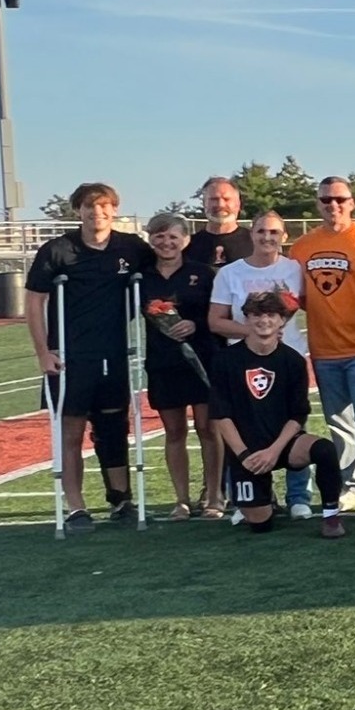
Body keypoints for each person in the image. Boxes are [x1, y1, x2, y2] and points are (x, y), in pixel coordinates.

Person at [25, 182, 156, 531]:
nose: (96, 213)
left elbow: (158, 271)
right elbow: (34, 300)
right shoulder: (57, 251)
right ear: (77, 211)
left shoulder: (131, 247)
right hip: (70, 358)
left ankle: (120, 499)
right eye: (88, 207)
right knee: (71, 431)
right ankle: (76, 507)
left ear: (114, 210)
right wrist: (43, 352)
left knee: (114, 428)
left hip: (113, 354)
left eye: (103, 207)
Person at [290, 175, 355, 516]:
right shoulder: (301, 247)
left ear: (352, 202)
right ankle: (353, 487)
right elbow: (301, 299)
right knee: (340, 425)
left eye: (339, 199)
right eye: (326, 200)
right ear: (317, 204)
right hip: (324, 352)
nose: (332, 205)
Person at [209, 289, 348, 538]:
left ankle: (330, 516)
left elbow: (298, 415)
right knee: (260, 526)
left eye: (271, 315)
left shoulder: (293, 361)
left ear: (282, 320)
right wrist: (244, 455)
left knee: (325, 449)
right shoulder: (225, 360)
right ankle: (265, 500)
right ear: (247, 319)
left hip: (282, 444)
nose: (264, 321)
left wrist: (274, 452)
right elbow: (221, 415)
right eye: (256, 315)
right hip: (247, 451)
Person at [209, 211, 311, 518]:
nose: (267, 238)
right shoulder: (230, 273)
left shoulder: (295, 269)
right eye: (261, 232)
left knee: (294, 424)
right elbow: (215, 321)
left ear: (284, 236)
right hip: (242, 364)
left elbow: (312, 306)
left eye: (274, 232)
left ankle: (298, 496)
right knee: (242, 428)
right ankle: (246, 496)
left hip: (287, 360)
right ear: (250, 234)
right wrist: (255, 332)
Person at [140, 213, 223, 520]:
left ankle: (215, 496)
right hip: (163, 362)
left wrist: (195, 323)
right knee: (174, 431)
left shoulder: (203, 274)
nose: (166, 242)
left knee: (207, 428)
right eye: (159, 236)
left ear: (186, 240)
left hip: (203, 358)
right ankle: (182, 500)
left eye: (173, 236)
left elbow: (218, 313)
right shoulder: (142, 277)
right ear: (151, 239)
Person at [186, 176, 255, 268]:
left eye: (226, 199)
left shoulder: (256, 243)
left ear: (238, 204)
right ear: (204, 203)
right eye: (214, 199)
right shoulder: (187, 246)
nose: (220, 204)